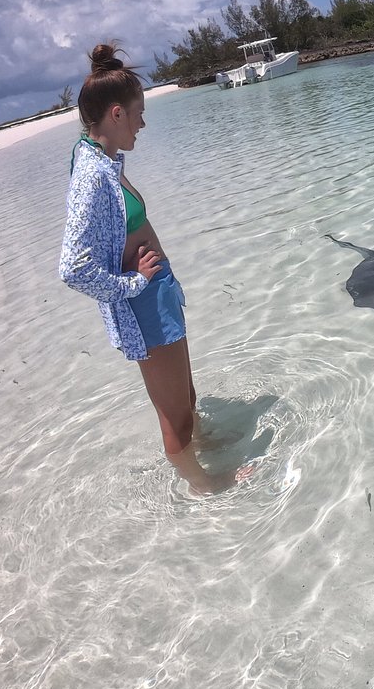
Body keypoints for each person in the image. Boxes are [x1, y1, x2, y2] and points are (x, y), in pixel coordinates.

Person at [58, 43, 246, 495]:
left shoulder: (97, 156)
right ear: (117, 114)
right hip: (141, 302)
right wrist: (133, 282)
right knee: (173, 412)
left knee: (187, 396)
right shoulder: (91, 174)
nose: (143, 122)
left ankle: (203, 442)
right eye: (139, 113)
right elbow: (72, 267)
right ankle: (204, 485)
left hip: (153, 293)